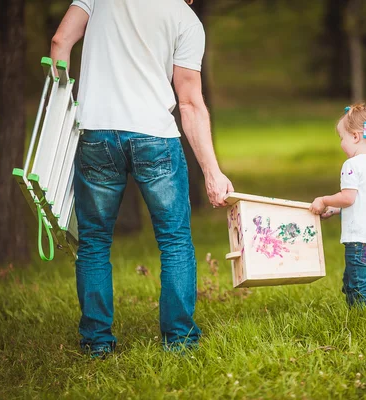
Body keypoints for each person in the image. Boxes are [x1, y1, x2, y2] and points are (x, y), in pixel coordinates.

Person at [50, 0, 234, 357]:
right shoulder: (187, 20)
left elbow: (60, 43)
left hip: (97, 133)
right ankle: (179, 342)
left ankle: (97, 343)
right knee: (175, 242)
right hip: (155, 137)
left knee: (94, 243)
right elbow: (190, 102)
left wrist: (64, 99)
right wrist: (212, 172)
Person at [309, 104, 366, 319]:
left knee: (361, 286)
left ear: (356, 137)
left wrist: (323, 200)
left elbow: (348, 197)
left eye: (342, 138)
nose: (341, 144)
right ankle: (358, 318)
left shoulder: (352, 165)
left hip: (360, 242)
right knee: (351, 283)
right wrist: (335, 209)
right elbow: (362, 201)